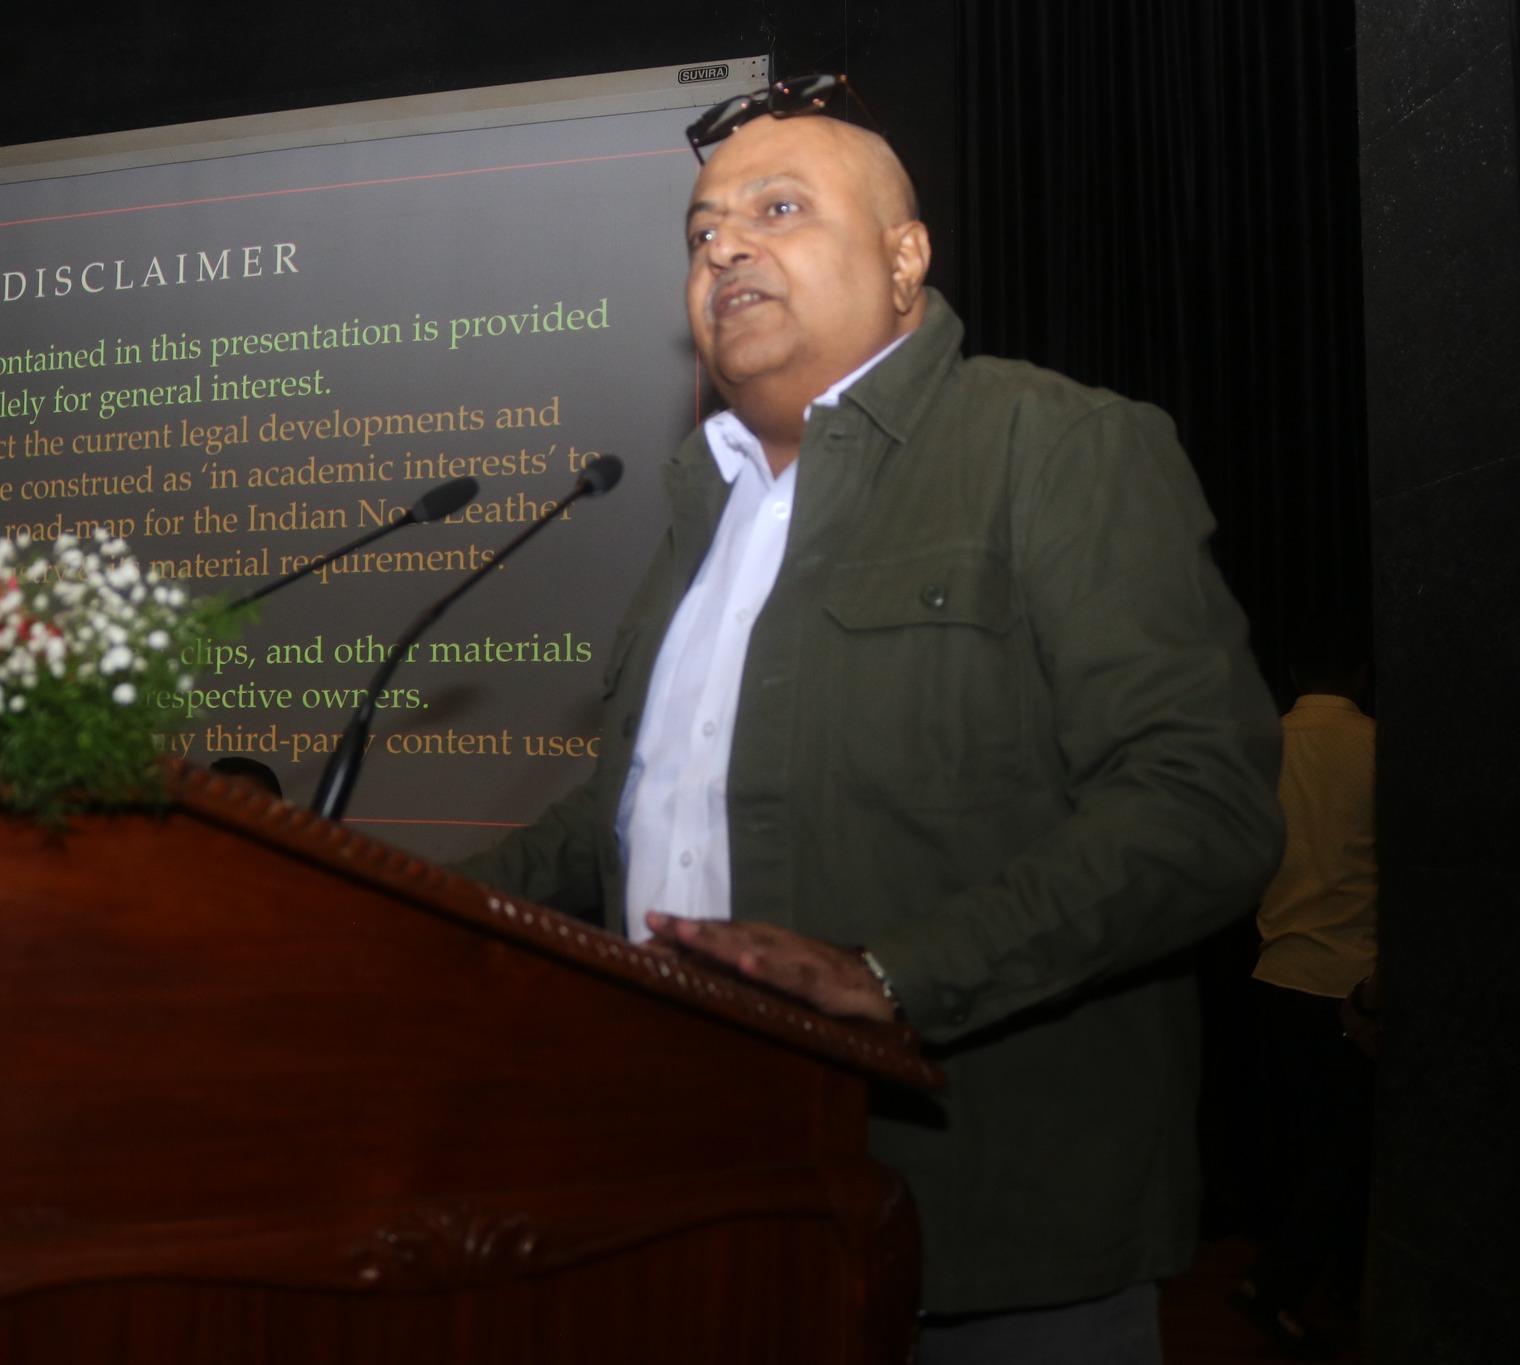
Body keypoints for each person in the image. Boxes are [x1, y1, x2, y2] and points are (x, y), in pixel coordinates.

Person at [458, 75, 1283, 1361]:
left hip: (974, 1235)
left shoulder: (1053, 444)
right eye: (700, 230)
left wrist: (898, 977)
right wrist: (391, 905)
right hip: (699, 1215)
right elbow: (624, 815)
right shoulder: (703, 511)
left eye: (777, 210)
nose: (723, 246)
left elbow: (1200, 807)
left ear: (904, 261)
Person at [1232, 625, 1377, 1358]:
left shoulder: (1261, 745)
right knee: (1353, 1145)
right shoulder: (1378, 746)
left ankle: (1345, 1284)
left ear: (1291, 672)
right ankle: (1277, 1284)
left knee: (1321, 1144)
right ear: (1362, 672)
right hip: (1354, 981)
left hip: (1276, 971)